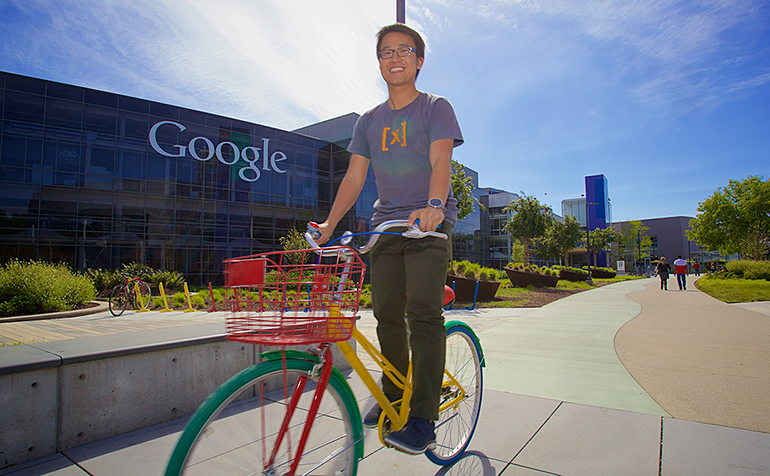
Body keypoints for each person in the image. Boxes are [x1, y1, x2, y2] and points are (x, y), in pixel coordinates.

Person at [314, 23, 463, 455]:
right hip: (386, 226)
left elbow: (441, 158)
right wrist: (327, 225)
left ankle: (423, 417)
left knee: (422, 312)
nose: (395, 57)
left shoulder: (435, 107)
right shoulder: (369, 121)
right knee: (386, 316)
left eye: (405, 50)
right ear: (379, 63)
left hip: (428, 224)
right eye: (386, 52)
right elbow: (355, 176)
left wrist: (435, 204)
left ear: (418, 60)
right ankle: (394, 394)